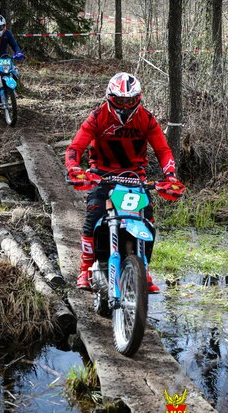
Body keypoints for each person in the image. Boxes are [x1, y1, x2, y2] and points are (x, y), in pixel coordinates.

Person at [65, 72, 185, 292]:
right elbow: (75, 147)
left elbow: (163, 150)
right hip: (102, 175)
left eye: (130, 100)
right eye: (120, 100)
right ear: (111, 98)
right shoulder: (98, 116)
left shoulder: (146, 119)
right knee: (93, 216)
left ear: (138, 98)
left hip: (135, 177)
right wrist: (74, 168)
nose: (125, 105)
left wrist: (170, 176)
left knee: (147, 221)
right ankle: (84, 269)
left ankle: (144, 270)